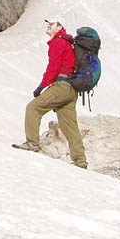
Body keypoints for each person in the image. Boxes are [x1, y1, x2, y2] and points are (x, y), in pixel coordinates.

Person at [12, 19, 88, 169]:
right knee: (69, 125)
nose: (48, 25)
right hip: (72, 89)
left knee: (33, 108)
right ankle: (80, 161)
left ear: (59, 27)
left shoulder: (59, 42)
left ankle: (32, 143)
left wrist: (41, 86)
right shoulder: (68, 43)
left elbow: (53, 67)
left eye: (51, 24)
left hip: (62, 86)